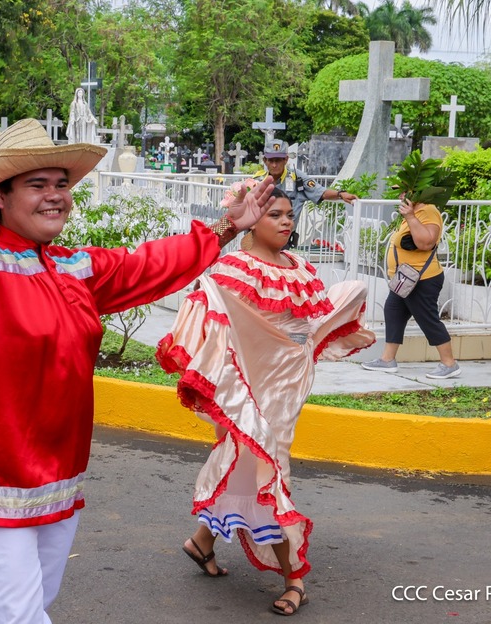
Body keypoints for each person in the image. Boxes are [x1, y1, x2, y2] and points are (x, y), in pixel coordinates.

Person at [0, 87, 278, 624]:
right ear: (0, 198)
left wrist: (227, 228)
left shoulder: (75, 267)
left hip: (60, 473)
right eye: (37, 185)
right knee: (20, 617)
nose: (55, 195)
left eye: (61, 184)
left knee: (17, 608)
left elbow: (150, 263)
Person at [156, 188, 375, 616]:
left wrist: (317, 334)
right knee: (264, 465)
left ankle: (202, 542)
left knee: (247, 460)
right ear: (253, 220)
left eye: (289, 214)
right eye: (275, 214)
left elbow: (310, 319)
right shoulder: (234, 267)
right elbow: (218, 317)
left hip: (290, 383)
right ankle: (295, 580)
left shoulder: (300, 266)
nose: (286, 221)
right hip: (252, 385)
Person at [361, 195, 460, 379]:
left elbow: (427, 242)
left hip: (422, 278)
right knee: (393, 311)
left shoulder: (428, 211)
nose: (401, 196)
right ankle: (387, 359)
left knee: (427, 318)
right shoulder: (414, 211)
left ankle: (449, 363)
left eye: (405, 191)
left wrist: (411, 217)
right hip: (405, 278)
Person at [261, 140, 358, 248]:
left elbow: (320, 192)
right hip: (260, 239)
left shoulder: (297, 178)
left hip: (283, 240)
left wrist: (340, 194)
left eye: (278, 160)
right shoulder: (257, 180)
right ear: (265, 161)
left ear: (286, 159)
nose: (274, 165)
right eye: (271, 160)